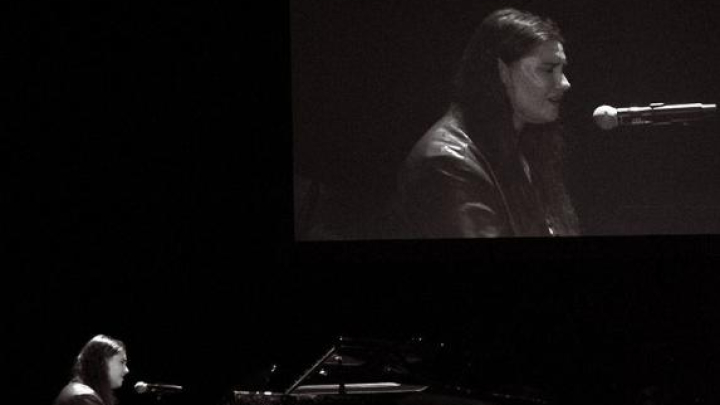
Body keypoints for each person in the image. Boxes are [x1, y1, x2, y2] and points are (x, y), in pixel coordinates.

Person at [392, 8, 581, 238]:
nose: (565, 83)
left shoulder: (522, 144)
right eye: (548, 69)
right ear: (503, 71)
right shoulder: (446, 163)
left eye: (562, 69)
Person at [53, 334, 129, 405]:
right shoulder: (82, 397)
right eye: (122, 362)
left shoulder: (82, 393)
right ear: (101, 362)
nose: (126, 370)